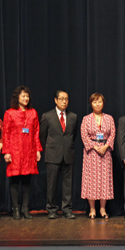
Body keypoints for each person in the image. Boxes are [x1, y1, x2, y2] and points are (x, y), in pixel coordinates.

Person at [2, 86, 42, 220]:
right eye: (23, 96)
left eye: (27, 96)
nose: (26, 98)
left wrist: (37, 150)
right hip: (15, 150)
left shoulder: (33, 113)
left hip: (29, 150)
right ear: (17, 98)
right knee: (15, 180)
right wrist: (6, 152)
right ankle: (16, 209)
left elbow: (36, 132)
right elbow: (6, 134)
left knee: (26, 181)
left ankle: (25, 209)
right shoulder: (10, 113)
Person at [40, 90, 78, 219]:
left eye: (66, 99)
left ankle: (67, 209)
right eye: (62, 99)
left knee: (68, 184)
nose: (64, 101)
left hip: (68, 154)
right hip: (52, 154)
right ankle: (51, 209)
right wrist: (49, 149)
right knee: (52, 184)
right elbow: (42, 136)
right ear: (55, 100)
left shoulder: (73, 117)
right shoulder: (47, 116)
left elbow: (73, 135)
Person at [81, 93, 115, 219]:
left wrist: (106, 146)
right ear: (91, 104)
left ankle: (102, 209)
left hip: (105, 152)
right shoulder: (86, 119)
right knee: (91, 181)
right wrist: (95, 147)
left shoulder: (109, 118)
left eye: (100, 102)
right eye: (95, 102)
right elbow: (84, 135)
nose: (97, 104)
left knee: (104, 180)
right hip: (91, 153)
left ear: (103, 103)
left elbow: (112, 134)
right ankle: (92, 209)